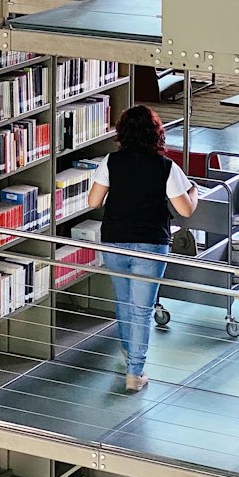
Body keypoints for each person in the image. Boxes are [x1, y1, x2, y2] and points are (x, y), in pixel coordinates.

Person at [86, 104, 198, 393]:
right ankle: (135, 372)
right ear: (156, 134)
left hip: (115, 240)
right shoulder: (166, 167)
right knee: (142, 309)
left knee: (124, 303)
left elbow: (93, 202)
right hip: (150, 244)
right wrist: (193, 192)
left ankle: (129, 354)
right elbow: (185, 210)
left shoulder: (111, 161)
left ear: (123, 132)